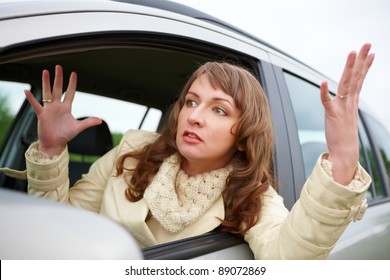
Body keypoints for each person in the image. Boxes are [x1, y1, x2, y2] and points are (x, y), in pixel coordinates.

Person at [21, 43, 374, 259]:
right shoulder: (129, 154)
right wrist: (51, 149)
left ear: (243, 134)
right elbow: (57, 226)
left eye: (218, 109)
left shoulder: (253, 196)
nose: (195, 116)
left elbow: (288, 260)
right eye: (191, 101)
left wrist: (342, 159)